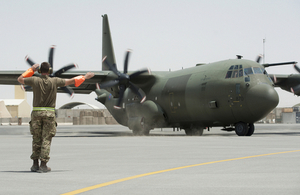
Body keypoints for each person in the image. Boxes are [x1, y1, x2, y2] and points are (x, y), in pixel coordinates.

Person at [17, 62, 94, 173]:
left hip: (36, 113)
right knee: (46, 139)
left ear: (39, 71)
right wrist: (85, 77)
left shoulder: (34, 80)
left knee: (36, 139)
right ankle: (43, 165)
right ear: (50, 71)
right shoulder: (55, 81)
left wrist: (31, 70)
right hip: (49, 113)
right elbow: (71, 81)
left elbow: (20, 79)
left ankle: (34, 165)